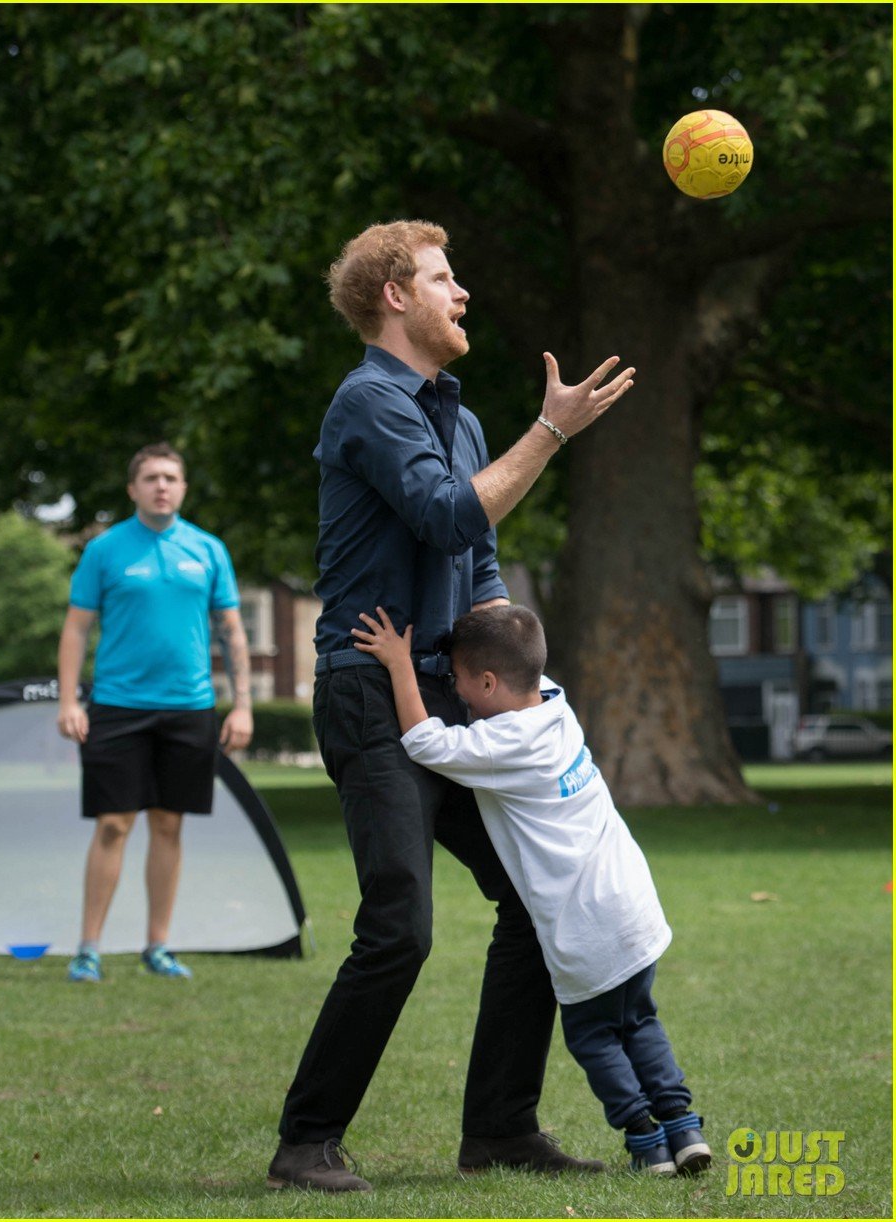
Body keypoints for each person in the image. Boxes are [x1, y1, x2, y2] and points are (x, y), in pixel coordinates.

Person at [267, 220, 635, 1193]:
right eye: (442, 278)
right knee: (400, 927)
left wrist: (516, 689)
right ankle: (305, 1143)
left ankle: (500, 1129)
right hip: (370, 691)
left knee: (536, 901)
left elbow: (477, 561)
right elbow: (445, 515)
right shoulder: (369, 401)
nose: (462, 292)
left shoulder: (459, 419)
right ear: (395, 296)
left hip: (456, 698)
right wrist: (551, 430)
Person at [353, 603, 712, 1178]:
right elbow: (519, 654)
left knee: (595, 1036)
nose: (457, 692)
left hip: (585, 927)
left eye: (460, 680)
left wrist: (399, 663)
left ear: (487, 683)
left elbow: (423, 742)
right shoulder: (556, 705)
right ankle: (684, 1128)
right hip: (634, 908)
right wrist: (492, 610)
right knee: (640, 1022)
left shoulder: (501, 744)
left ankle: (646, 1141)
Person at [57, 442, 253, 983]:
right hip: (117, 707)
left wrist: (242, 706)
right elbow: (76, 628)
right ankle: (88, 950)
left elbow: (232, 631)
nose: (161, 486)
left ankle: (157, 947)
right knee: (113, 825)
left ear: (183, 488)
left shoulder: (209, 550)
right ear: (133, 489)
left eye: (170, 477)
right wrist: (69, 700)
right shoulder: (104, 550)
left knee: (169, 826)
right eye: (150, 478)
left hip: (190, 708)